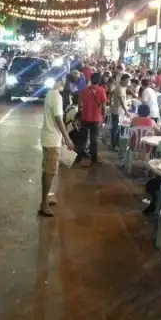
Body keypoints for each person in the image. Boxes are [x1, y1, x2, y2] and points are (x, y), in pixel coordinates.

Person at [40, 74, 75, 216]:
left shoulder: (50, 93)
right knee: (50, 172)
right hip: (51, 139)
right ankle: (43, 204)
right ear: (61, 80)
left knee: (48, 170)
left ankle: (46, 198)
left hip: (50, 137)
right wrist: (67, 138)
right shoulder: (57, 96)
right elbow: (58, 119)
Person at [78, 72, 107, 167]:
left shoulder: (83, 91)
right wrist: (104, 117)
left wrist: (80, 115)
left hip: (85, 117)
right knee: (94, 139)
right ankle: (94, 158)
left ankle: (80, 157)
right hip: (96, 118)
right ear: (99, 81)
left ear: (90, 79)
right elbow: (103, 106)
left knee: (83, 138)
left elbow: (80, 105)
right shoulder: (101, 90)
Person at [110, 73, 130, 149]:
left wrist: (111, 101)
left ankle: (117, 143)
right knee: (115, 128)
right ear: (122, 80)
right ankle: (113, 144)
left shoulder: (122, 87)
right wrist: (126, 111)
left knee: (118, 128)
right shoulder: (119, 88)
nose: (127, 83)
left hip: (119, 111)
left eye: (128, 81)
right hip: (116, 111)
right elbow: (121, 101)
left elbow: (111, 93)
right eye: (126, 81)